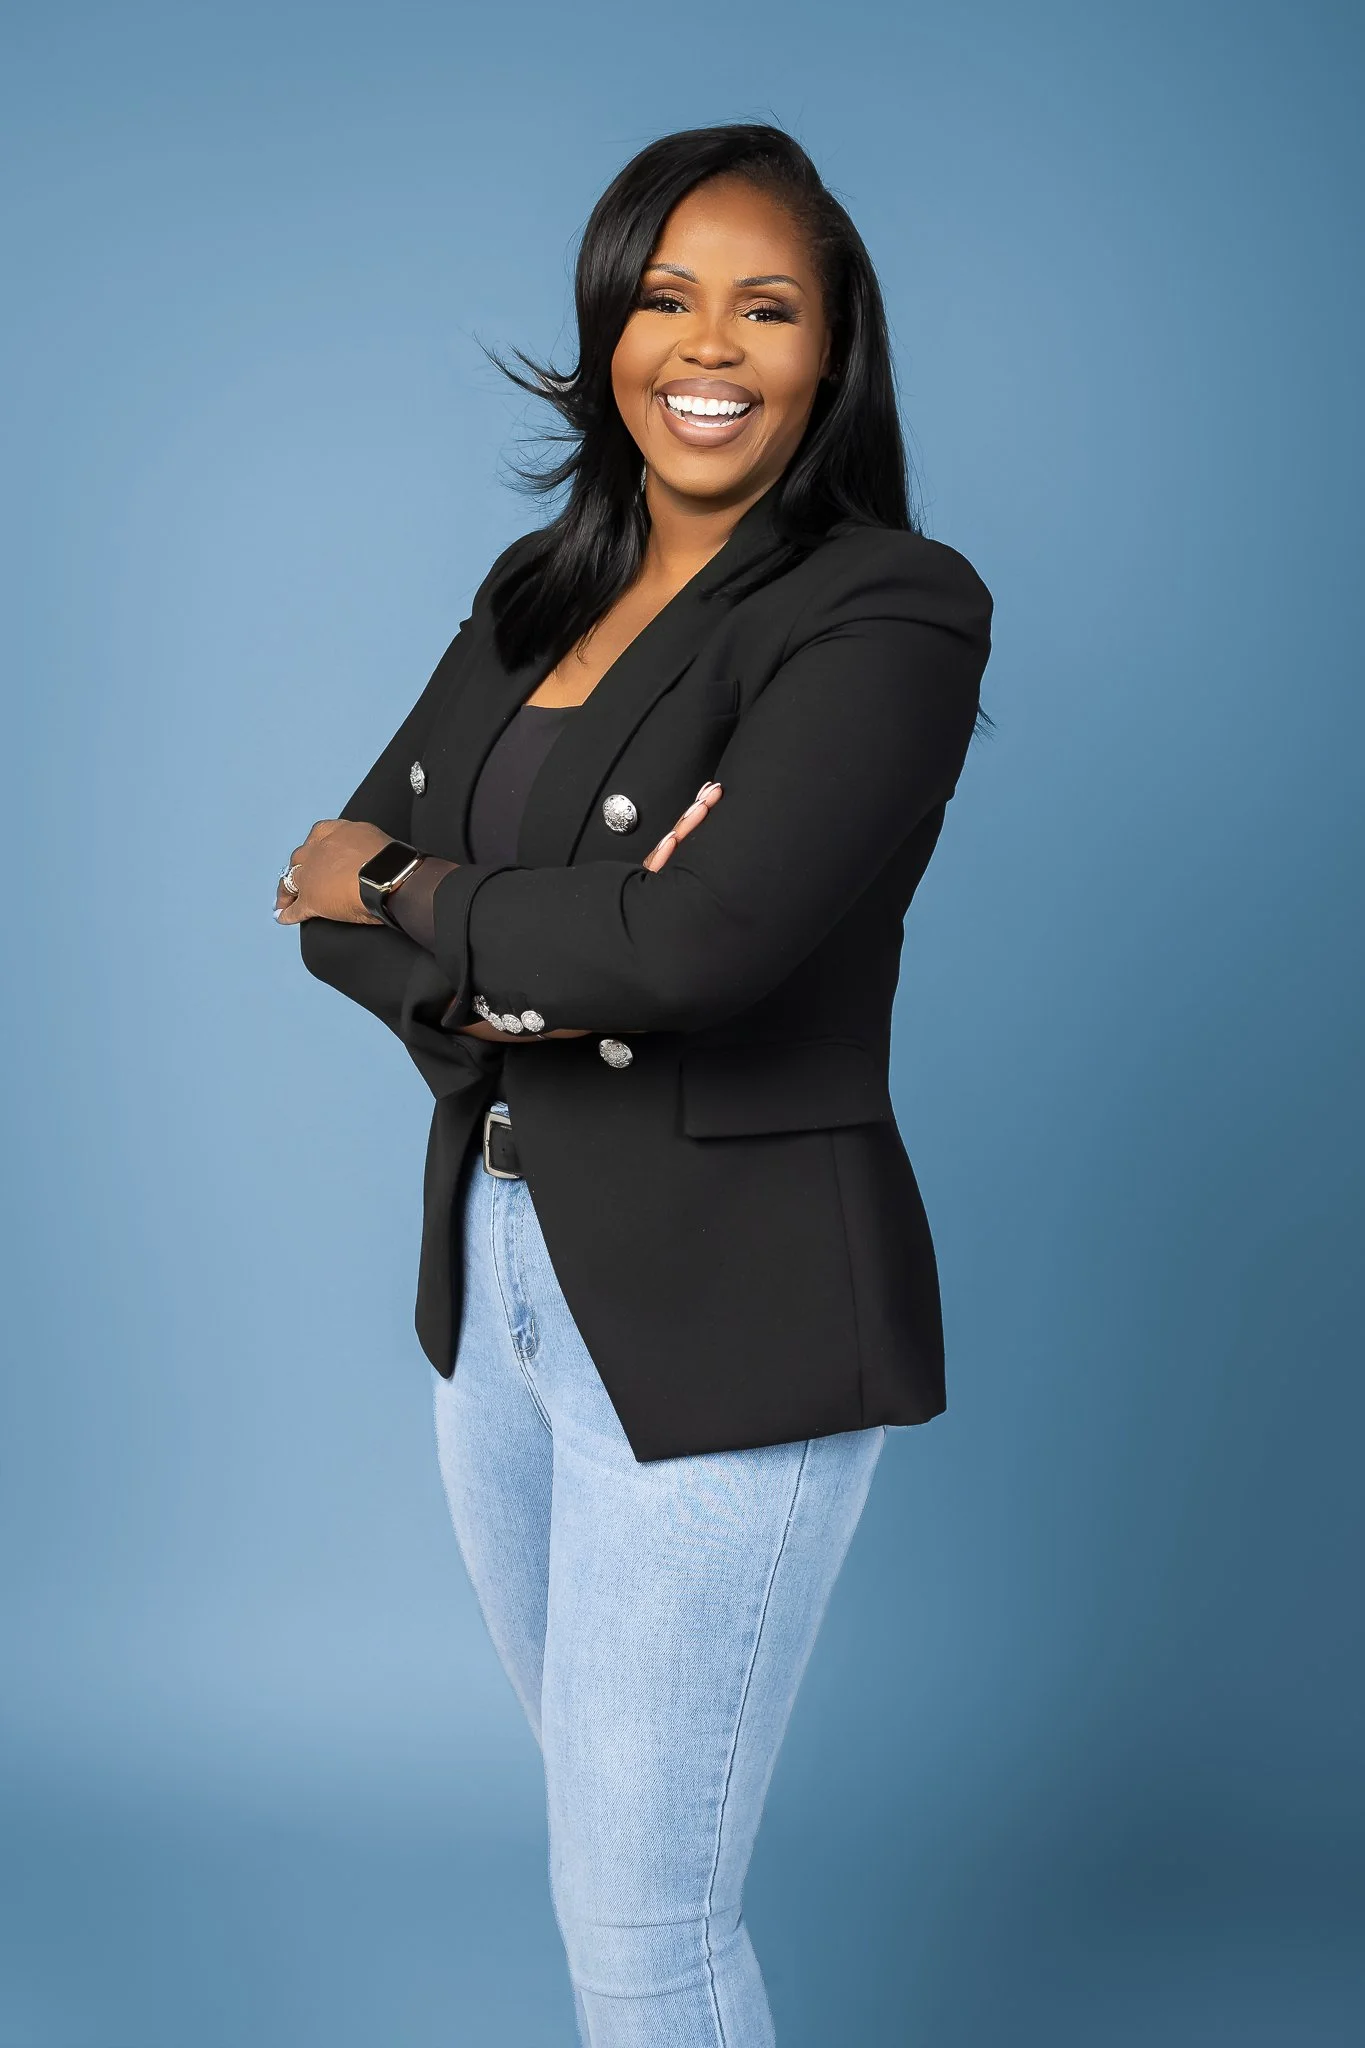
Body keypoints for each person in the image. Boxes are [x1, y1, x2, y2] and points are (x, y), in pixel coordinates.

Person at [274, 121, 992, 2048]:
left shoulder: (887, 608)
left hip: (733, 1307)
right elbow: (318, 901)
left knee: (643, 1921)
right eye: (668, 298)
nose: (711, 346)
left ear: (834, 350)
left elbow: (690, 948)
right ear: (608, 330)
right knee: (603, 1859)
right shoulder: (538, 587)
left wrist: (422, 890)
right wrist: (527, 957)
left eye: (770, 307)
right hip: (501, 1298)